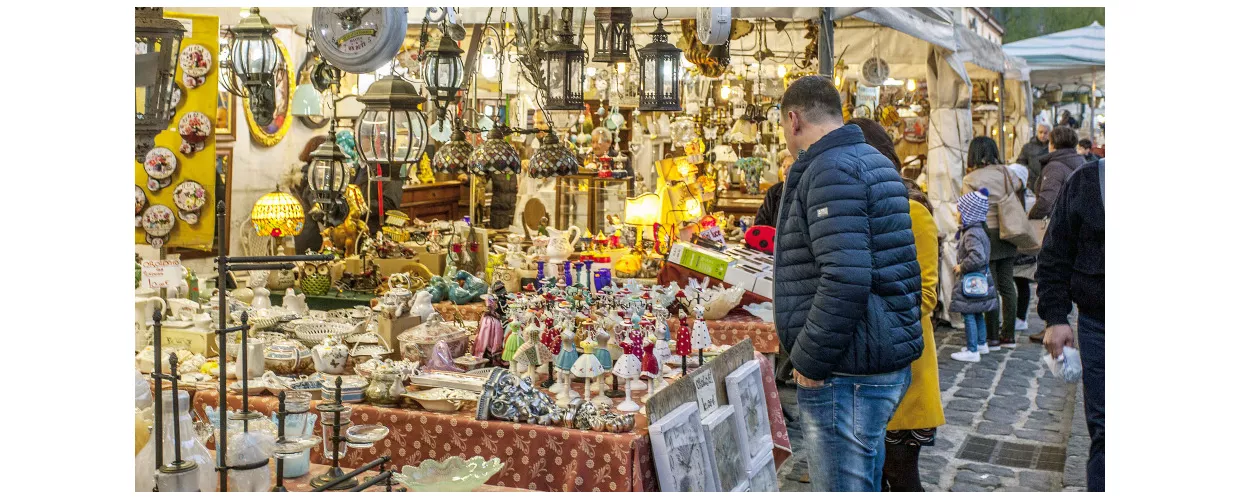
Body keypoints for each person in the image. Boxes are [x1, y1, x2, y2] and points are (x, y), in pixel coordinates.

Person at [773, 75, 923, 492]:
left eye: (784, 126)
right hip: (874, 356)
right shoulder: (872, 160)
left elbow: (846, 276)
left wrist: (809, 359)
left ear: (794, 118)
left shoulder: (830, 168)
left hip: (847, 368)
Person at [1036, 158, 1104, 491]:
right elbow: (1055, 254)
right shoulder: (1088, 181)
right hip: (1101, 325)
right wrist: (1056, 318)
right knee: (1107, 430)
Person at [882, 180, 944, 492]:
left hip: (906, 366)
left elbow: (926, 296)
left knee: (900, 471)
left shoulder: (912, 211)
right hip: (874, 371)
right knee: (877, 474)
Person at [962, 137, 1022, 348]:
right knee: (1007, 285)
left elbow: (968, 213)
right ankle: (1009, 334)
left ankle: (992, 336)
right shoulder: (1007, 173)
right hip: (1009, 232)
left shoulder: (971, 179)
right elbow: (1019, 187)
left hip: (985, 234)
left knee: (990, 286)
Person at [948, 188, 999, 363]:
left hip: (972, 280)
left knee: (968, 313)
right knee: (977, 313)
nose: (957, 215)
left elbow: (977, 256)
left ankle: (972, 349)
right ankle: (981, 343)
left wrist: (962, 267)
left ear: (969, 212)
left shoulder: (971, 234)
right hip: (981, 278)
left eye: (960, 211)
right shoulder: (980, 230)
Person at [1029, 127, 1086, 220]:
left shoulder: (1054, 167)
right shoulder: (1081, 161)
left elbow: (1046, 201)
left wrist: (1032, 216)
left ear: (1052, 145)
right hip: (1076, 221)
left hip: (1059, 223)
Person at [753, 150, 794, 227]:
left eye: (790, 166)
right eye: (783, 166)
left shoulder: (804, 191)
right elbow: (760, 223)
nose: (785, 171)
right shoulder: (773, 192)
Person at [1016, 123, 1050, 187]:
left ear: (1049, 133)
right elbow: (1020, 162)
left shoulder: (1053, 147)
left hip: (1048, 181)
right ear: (1037, 132)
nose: (1042, 135)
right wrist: (1029, 173)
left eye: (1045, 133)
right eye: (1040, 132)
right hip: (1031, 182)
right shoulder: (1028, 147)